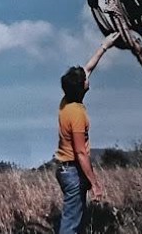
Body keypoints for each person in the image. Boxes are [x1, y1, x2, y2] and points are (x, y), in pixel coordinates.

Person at [55, 32, 119, 234]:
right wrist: (95, 183)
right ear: (82, 87)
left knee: (76, 220)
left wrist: (104, 46)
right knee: (70, 225)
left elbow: (88, 68)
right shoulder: (76, 114)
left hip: (66, 170)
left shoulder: (67, 100)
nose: (87, 77)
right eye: (84, 79)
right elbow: (81, 153)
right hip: (73, 171)